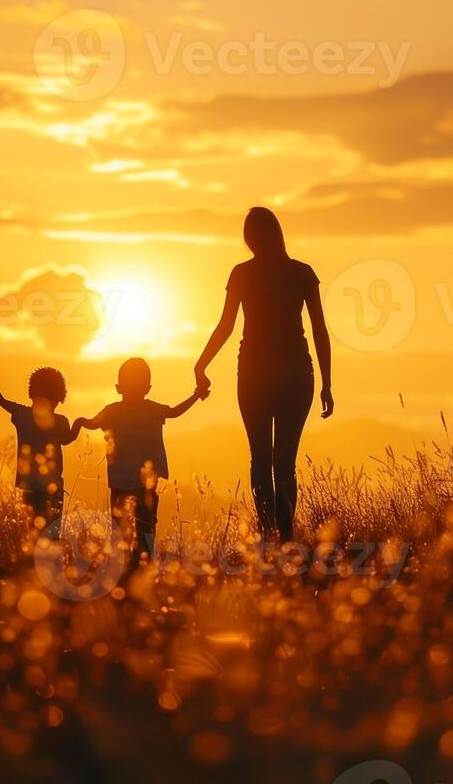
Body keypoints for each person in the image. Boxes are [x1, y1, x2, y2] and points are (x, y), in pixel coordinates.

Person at [194, 207, 333, 543]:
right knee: (283, 459)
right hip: (294, 374)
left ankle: (272, 536)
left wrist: (201, 365)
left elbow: (226, 326)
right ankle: (283, 537)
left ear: (250, 238)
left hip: (257, 373)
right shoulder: (300, 272)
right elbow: (319, 331)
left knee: (262, 458)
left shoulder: (243, 273)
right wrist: (327, 383)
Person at [73, 358, 204, 565]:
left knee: (122, 527)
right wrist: (196, 395)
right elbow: (175, 411)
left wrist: (78, 423)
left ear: (118, 387)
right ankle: (144, 563)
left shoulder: (112, 411)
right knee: (146, 526)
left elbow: (90, 423)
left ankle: (124, 565)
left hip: (121, 481)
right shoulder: (151, 410)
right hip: (144, 483)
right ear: (148, 388)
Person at [0, 365, 78, 537]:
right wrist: (79, 423)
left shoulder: (23, 415)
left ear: (32, 393)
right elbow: (68, 439)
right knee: (52, 534)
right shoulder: (61, 422)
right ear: (59, 397)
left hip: (29, 487)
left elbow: (1, 400)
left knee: (30, 534)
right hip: (53, 488)